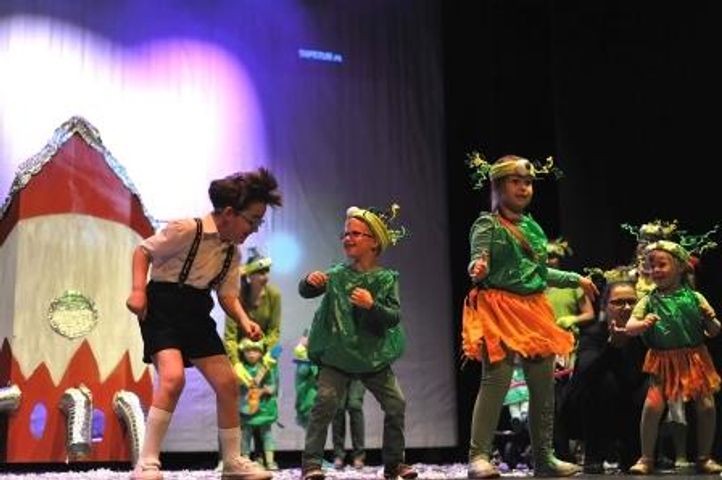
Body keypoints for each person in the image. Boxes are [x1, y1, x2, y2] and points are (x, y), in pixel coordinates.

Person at [125, 168, 281, 480]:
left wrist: (245, 319)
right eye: (252, 220)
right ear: (229, 213)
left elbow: (227, 295)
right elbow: (143, 251)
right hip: (163, 308)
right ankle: (147, 461)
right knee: (172, 379)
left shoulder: (232, 253)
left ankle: (233, 462)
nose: (254, 229)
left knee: (228, 382)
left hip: (196, 312)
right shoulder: (187, 229)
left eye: (259, 222)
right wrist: (138, 290)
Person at [461, 153, 598, 478]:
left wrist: (575, 279)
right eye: (515, 181)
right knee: (496, 381)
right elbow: (477, 262)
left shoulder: (533, 227)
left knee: (543, 388)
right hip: (499, 306)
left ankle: (544, 458)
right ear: (498, 186)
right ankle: (478, 457)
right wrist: (478, 268)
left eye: (528, 183)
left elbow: (539, 273)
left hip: (533, 308)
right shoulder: (488, 225)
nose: (524, 188)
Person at [298, 204, 416, 480]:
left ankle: (394, 464)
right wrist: (309, 281)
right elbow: (306, 291)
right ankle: (311, 464)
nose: (348, 238)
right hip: (338, 355)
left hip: (372, 356)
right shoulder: (337, 274)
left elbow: (393, 317)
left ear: (374, 242)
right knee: (325, 402)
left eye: (355, 234)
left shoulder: (385, 279)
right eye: (346, 234)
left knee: (396, 404)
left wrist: (372, 305)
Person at [623, 240, 722, 475]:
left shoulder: (695, 298)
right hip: (662, 359)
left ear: (679, 267)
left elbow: (715, 331)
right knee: (652, 406)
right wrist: (642, 324)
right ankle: (646, 458)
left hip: (694, 358)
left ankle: (704, 457)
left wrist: (710, 319)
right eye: (651, 266)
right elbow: (629, 327)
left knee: (706, 406)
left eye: (662, 265)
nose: (655, 270)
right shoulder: (648, 300)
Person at [560, 267, 647, 473]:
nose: (626, 307)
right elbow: (586, 374)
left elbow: (638, 377)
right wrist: (612, 347)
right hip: (587, 408)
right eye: (618, 302)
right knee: (603, 380)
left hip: (629, 405)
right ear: (604, 307)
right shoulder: (593, 334)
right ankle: (594, 454)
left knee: (652, 387)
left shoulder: (644, 335)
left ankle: (636, 452)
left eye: (632, 302)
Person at [237, 338, 279, 471]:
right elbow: (236, 386)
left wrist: (262, 391)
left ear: (261, 353)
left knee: (267, 434)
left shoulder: (265, 368)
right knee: (245, 435)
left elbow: (272, 387)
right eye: (248, 351)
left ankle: (270, 461)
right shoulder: (240, 368)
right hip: (246, 407)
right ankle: (245, 461)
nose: (251, 354)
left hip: (264, 408)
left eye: (255, 350)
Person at [332, 379, 366, 469]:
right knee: (338, 408)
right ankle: (338, 454)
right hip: (338, 373)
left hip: (358, 374)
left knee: (355, 405)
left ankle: (359, 455)